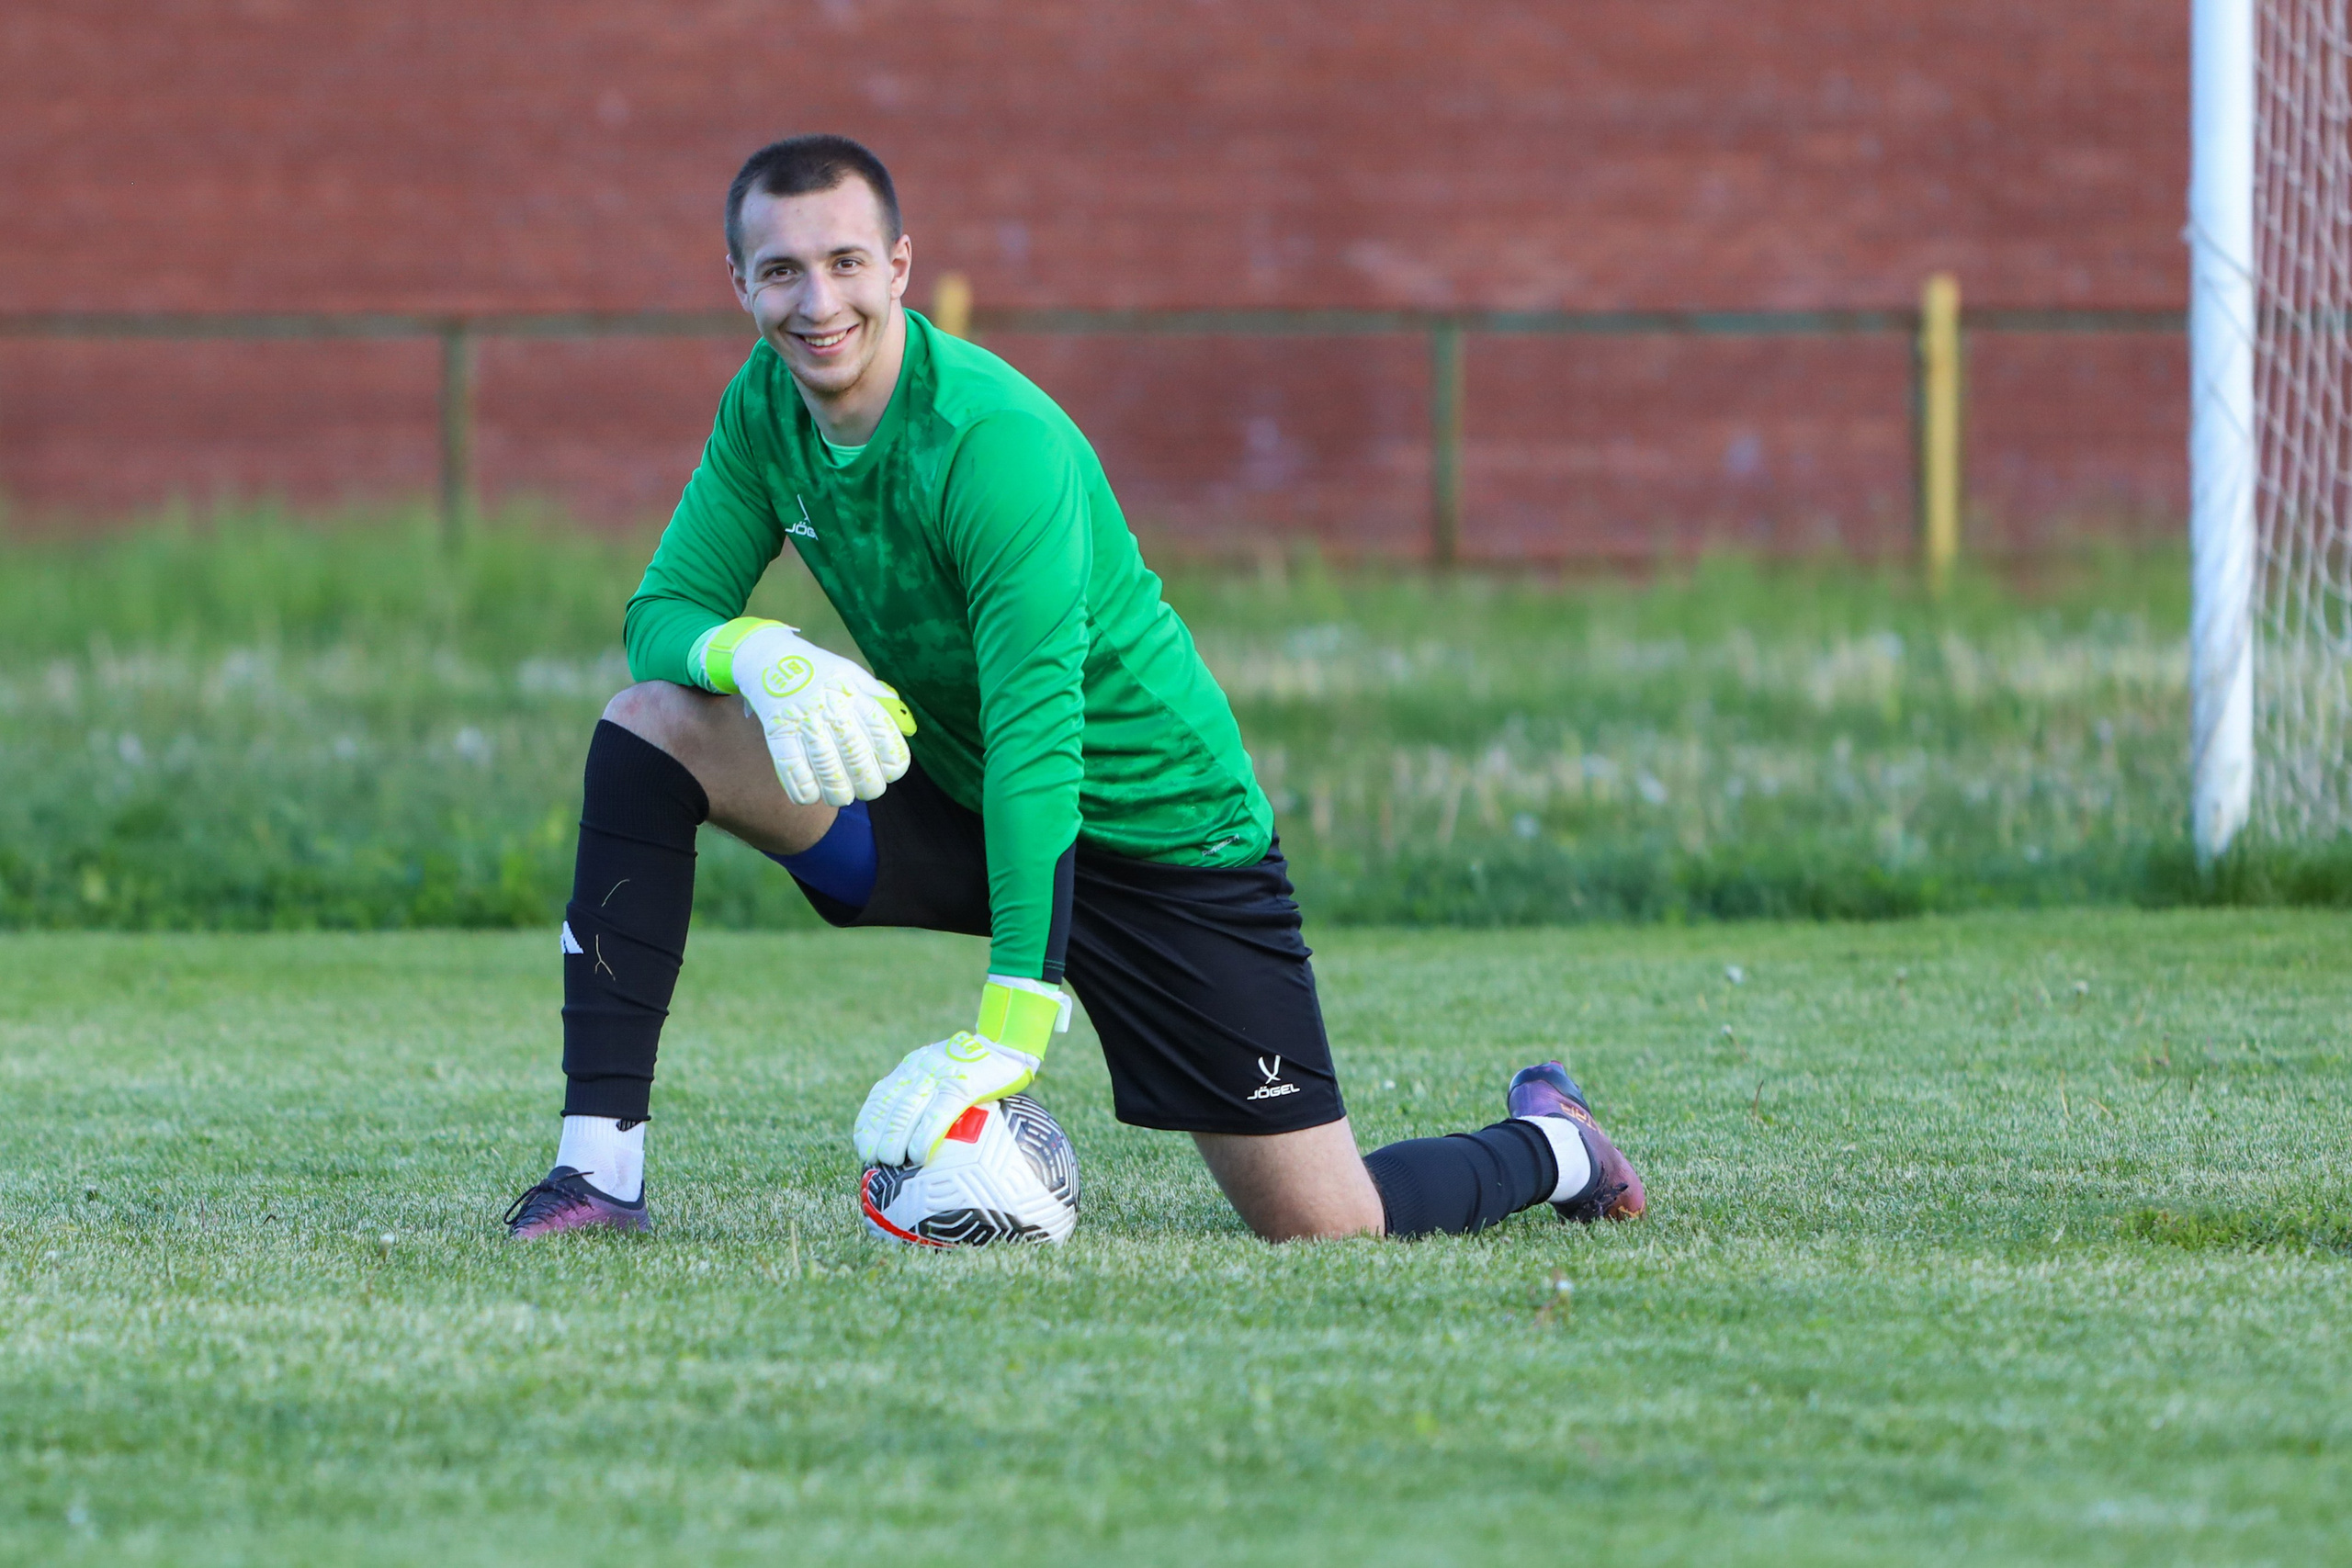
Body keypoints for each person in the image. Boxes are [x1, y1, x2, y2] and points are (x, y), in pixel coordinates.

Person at [503, 134, 1645, 1244]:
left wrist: (1012, 1019)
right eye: (782, 270)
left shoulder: (996, 444)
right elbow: (659, 618)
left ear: (899, 268)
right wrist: (761, 655)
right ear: (739, 284)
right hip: (961, 800)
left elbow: (1040, 735)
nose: (818, 302)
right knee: (654, 725)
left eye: (847, 262)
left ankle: (1556, 1146)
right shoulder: (762, 407)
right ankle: (599, 1174)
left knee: (1322, 1221)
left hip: (1162, 843)